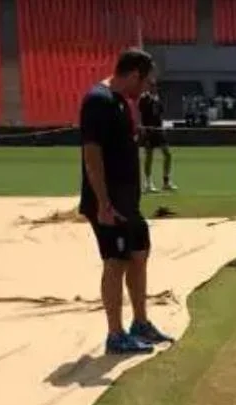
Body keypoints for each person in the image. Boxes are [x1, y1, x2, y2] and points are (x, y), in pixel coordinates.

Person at [79, 48, 174, 354]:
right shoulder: (99, 100)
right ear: (134, 75)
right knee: (115, 261)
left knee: (139, 252)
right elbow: (92, 156)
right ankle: (115, 333)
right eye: (146, 82)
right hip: (108, 201)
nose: (146, 89)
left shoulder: (121, 101)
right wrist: (103, 203)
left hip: (126, 200)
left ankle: (140, 322)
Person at [138, 85, 176, 192]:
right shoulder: (144, 98)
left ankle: (166, 182)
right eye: (152, 86)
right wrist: (143, 128)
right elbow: (140, 113)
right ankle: (148, 183)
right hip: (149, 130)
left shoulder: (157, 98)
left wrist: (163, 126)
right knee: (149, 156)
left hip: (159, 130)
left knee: (167, 154)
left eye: (155, 86)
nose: (154, 88)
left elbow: (160, 114)